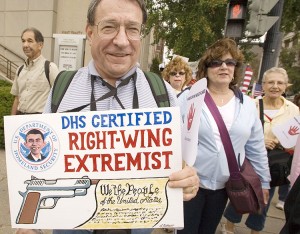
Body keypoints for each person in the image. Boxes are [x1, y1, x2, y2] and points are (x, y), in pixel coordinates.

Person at [42, 0, 199, 233]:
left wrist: (188, 179)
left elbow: (179, 163)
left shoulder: (161, 93)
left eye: (132, 29)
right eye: (109, 27)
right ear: (90, 32)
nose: (122, 41)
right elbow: (41, 160)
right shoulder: (63, 88)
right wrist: (31, 224)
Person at [177, 38, 271, 234]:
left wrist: (263, 181)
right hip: (191, 183)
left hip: (225, 186)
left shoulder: (247, 104)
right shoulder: (189, 97)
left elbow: (256, 147)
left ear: (235, 68)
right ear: (206, 68)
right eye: (216, 62)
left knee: (208, 231)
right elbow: (171, 138)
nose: (223, 67)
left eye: (230, 63)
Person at [223, 67, 300, 234]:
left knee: (264, 199)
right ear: (263, 85)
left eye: (280, 83)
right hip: (248, 160)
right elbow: (236, 132)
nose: (275, 86)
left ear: (286, 86)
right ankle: (229, 226)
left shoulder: (293, 110)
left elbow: (296, 142)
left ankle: (255, 230)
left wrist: (284, 143)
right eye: (270, 82)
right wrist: (259, 141)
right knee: (240, 193)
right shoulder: (250, 105)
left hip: (275, 164)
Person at [10, 27, 59, 115]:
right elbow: (17, 98)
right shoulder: (20, 70)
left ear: (40, 45)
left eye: (30, 41)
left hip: (40, 121)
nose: (25, 45)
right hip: (20, 119)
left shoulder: (50, 68)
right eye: (23, 41)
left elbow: (59, 97)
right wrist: (10, 124)